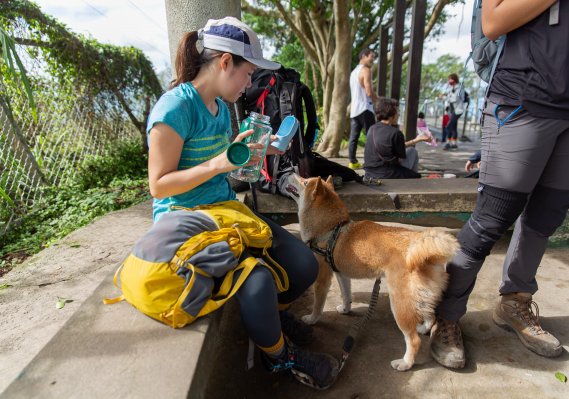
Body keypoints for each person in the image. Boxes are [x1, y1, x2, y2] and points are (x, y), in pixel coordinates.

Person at [146, 16, 338, 388]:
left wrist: (246, 161)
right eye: (248, 73)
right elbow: (159, 186)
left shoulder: (219, 107)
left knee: (302, 263)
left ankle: (275, 321)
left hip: (223, 210)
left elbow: (220, 173)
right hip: (184, 220)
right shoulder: (173, 109)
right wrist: (220, 162)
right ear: (223, 63)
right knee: (257, 279)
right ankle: (279, 358)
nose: (250, 83)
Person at [430, 0, 569, 369]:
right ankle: (446, 315)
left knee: (546, 217)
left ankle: (515, 303)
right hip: (524, 96)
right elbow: (493, 21)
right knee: (493, 217)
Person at [363, 98, 431, 179]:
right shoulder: (396, 133)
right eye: (397, 111)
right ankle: (411, 182)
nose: (398, 114)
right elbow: (400, 160)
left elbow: (389, 146)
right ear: (391, 114)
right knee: (413, 153)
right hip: (387, 174)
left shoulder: (372, 128)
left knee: (411, 152)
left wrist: (417, 139)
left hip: (370, 172)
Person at [348, 48, 377, 170]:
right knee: (372, 136)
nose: (373, 59)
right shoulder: (366, 70)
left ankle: (352, 162)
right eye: (371, 56)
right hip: (365, 108)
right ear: (363, 56)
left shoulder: (354, 72)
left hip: (354, 110)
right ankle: (371, 162)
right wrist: (379, 101)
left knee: (353, 137)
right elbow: (369, 91)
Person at [443, 73, 465, 150]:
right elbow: (449, 100)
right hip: (451, 111)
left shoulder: (460, 88)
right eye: (449, 79)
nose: (449, 81)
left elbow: (455, 99)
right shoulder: (450, 88)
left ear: (454, 79)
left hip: (458, 110)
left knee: (449, 126)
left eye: (451, 79)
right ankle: (454, 144)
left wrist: (445, 97)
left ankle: (448, 143)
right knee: (453, 126)